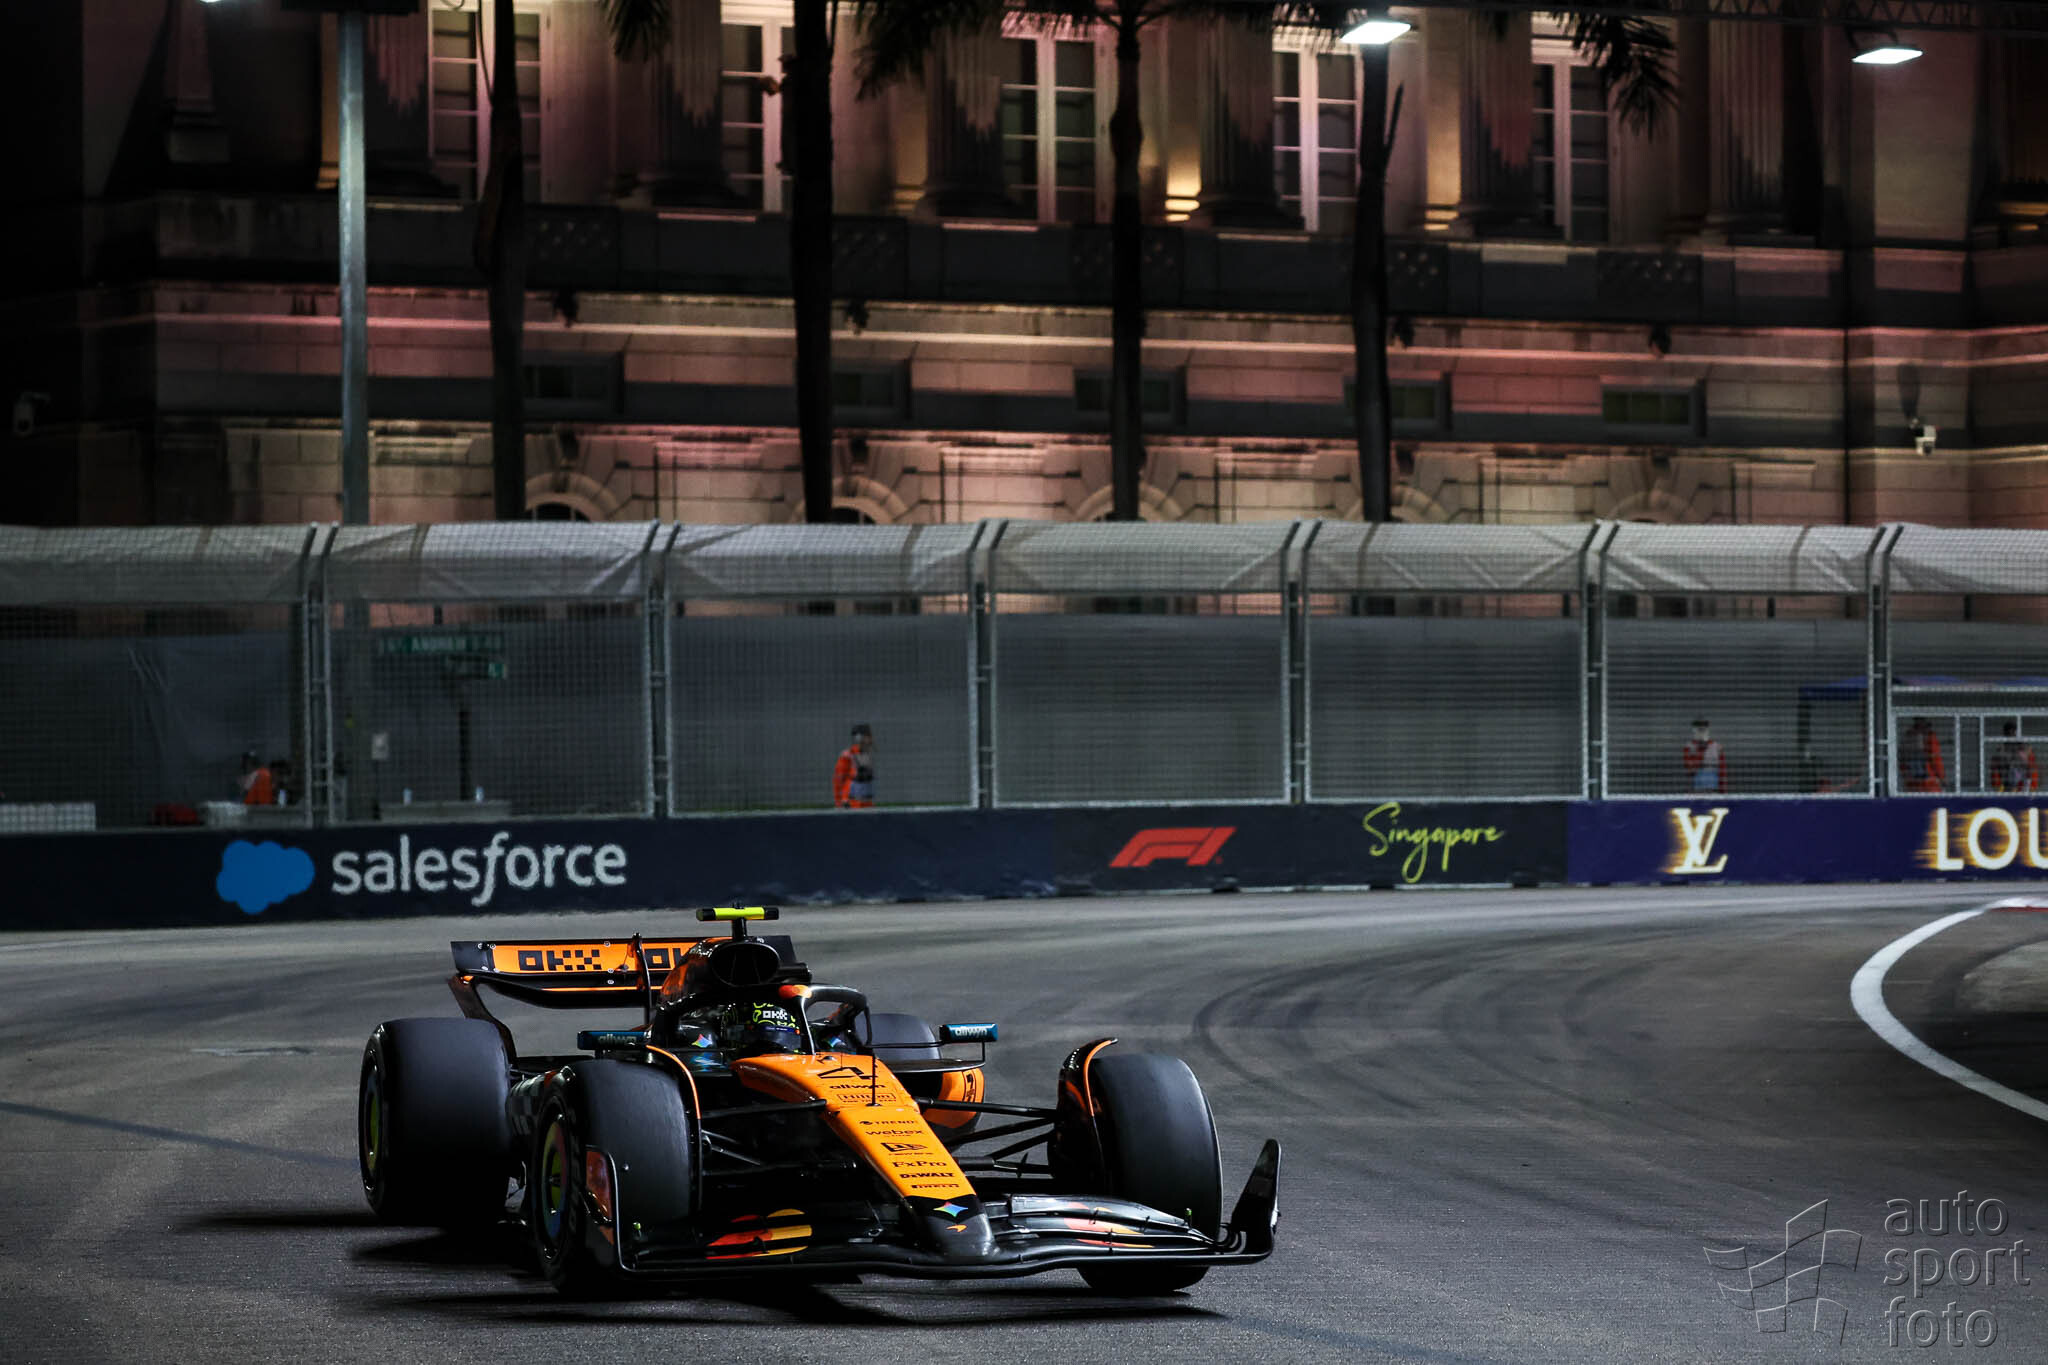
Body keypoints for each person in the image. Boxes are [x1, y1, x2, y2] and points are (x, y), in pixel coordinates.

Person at [1990, 721, 2039, 794]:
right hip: (2009, 775)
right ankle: (2008, 789)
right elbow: (1999, 763)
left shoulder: (2022, 745)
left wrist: (2022, 755)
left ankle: (2027, 788)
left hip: (2021, 773)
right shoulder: (2002, 748)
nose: (2011, 733)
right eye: (2009, 732)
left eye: (2013, 731)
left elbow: (2028, 759)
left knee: (2028, 762)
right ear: (2005, 733)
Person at [833, 723, 874, 809]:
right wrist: (839, 802)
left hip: (866, 802)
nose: (870, 739)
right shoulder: (848, 755)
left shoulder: (867, 755)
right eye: (867, 735)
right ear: (859, 738)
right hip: (852, 803)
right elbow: (838, 780)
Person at [1680, 718, 1727, 793]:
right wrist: (1700, 751)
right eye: (1698, 728)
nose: (1701, 731)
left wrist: (1723, 788)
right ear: (1694, 730)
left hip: (1712, 783)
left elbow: (1722, 768)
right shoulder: (1689, 747)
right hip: (1696, 784)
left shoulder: (1716, 746)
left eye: (1703, 728)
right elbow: (1689, 767)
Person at [1901, 717, 1947, 793]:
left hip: (1913, 780)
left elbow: (1902, 758)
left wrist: (1906, 778)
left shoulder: (1908, 735)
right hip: (1928, 781)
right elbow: (1935, 758)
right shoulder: (1929, 735)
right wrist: (1942, 778)